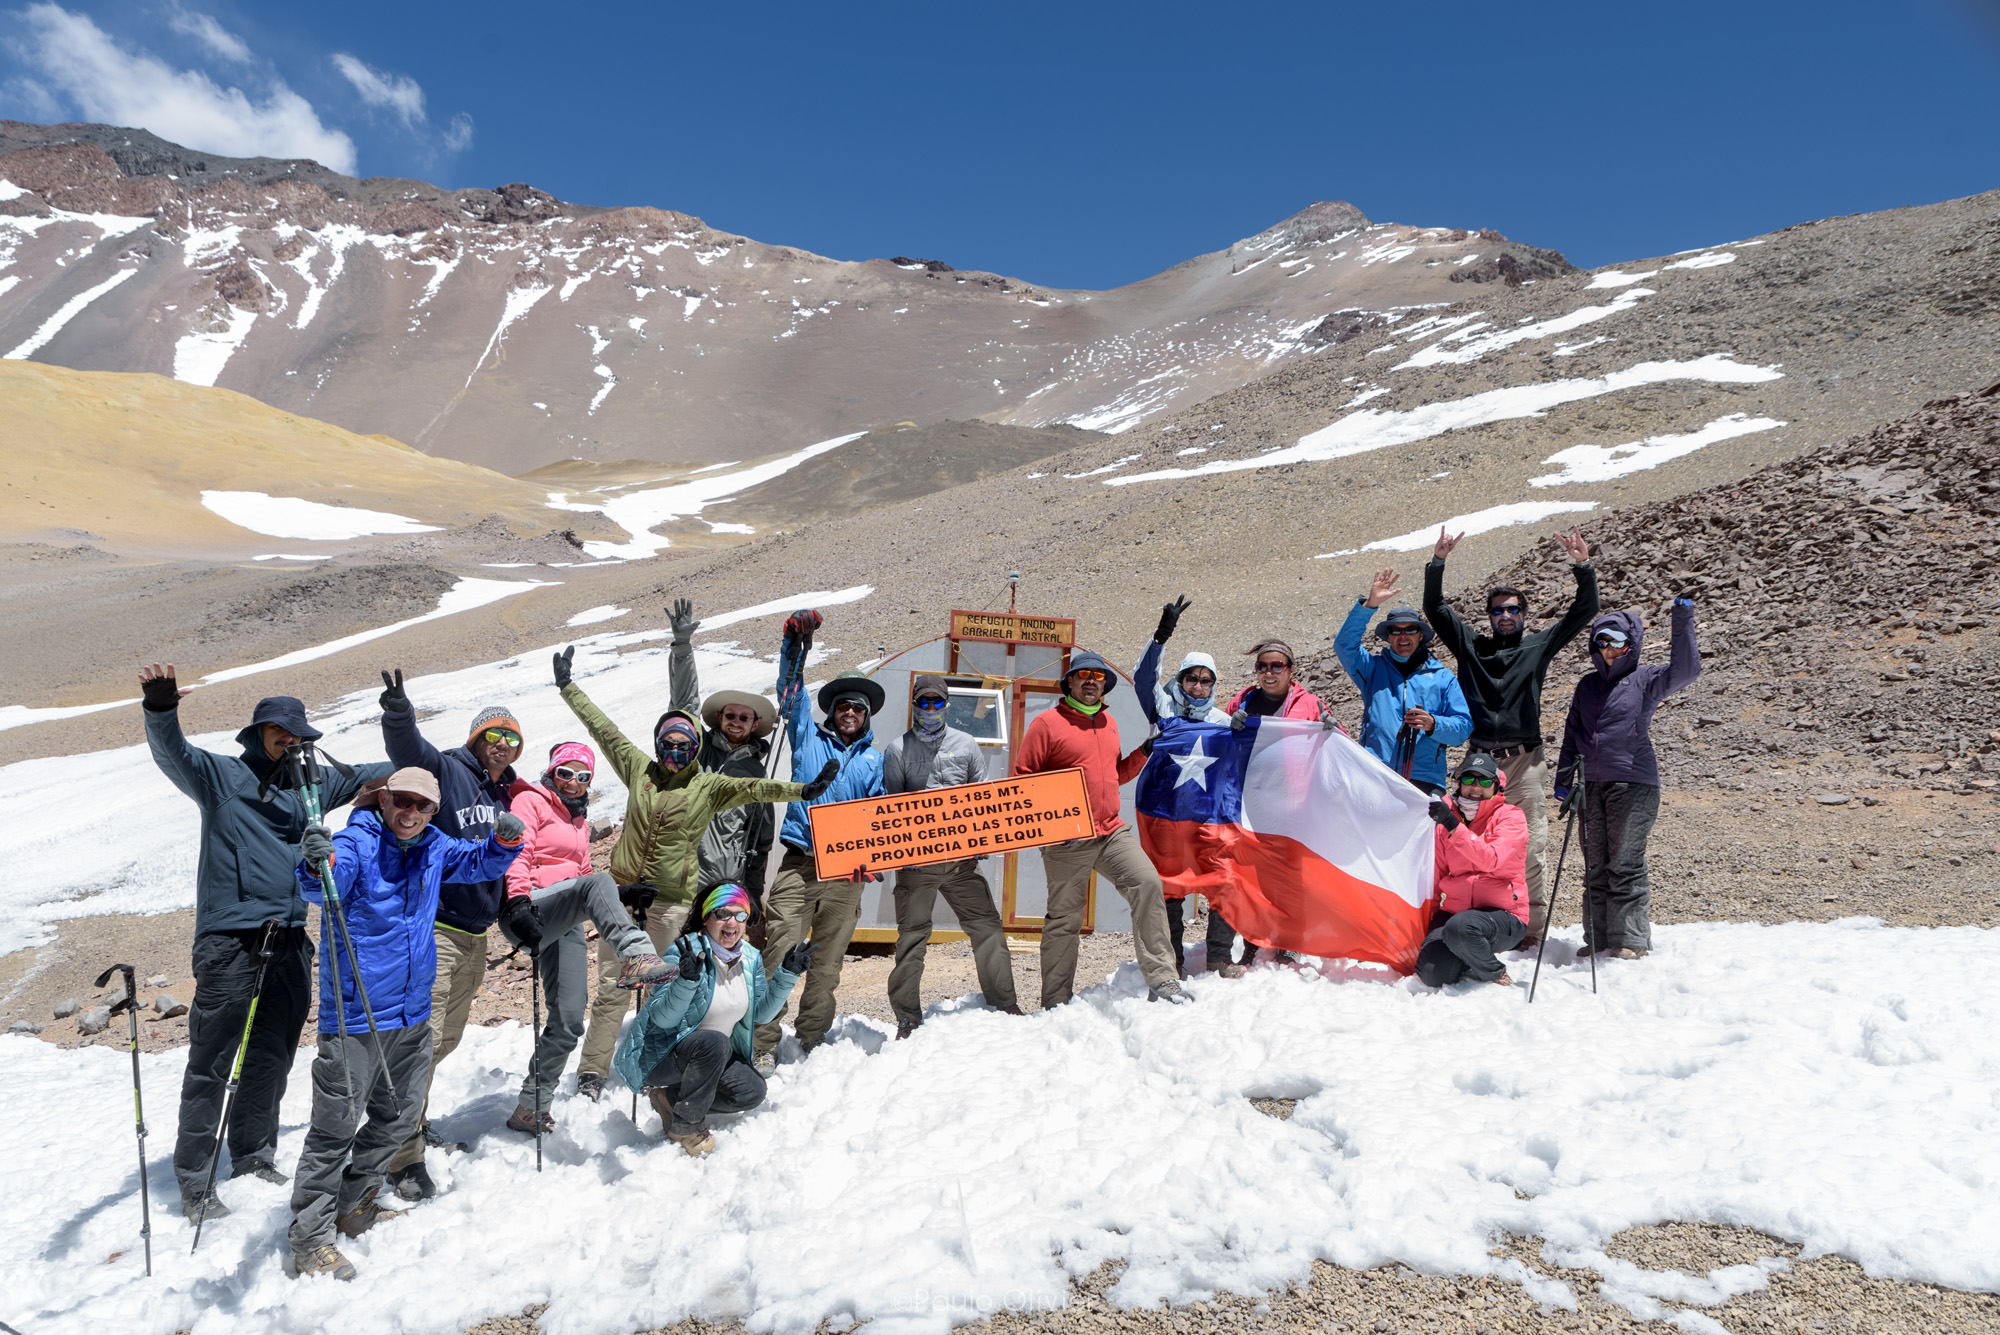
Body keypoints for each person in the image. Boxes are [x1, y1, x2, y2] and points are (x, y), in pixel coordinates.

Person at [138, 664, 392, 1224]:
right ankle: (195, 1180)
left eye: (299, 736)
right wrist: (160, 709)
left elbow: (389, 771)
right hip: (229, 938)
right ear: (258, 734)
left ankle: (253, 1156)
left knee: (272, 1056)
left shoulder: (316, 785)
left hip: (290, 939)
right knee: (212, 1059)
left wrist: (409, 729)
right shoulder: (220, 777)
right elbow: (171, 752)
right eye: (281, 732)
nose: (291, 742)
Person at [556, 645, 836, 1095]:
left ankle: (654, 1065)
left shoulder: (709, 785)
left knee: (668, 986)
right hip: (621, 896)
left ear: (695, 748)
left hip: (671, 903)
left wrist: (804, 790)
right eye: (668, 744)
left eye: (685, 746)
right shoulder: (638, 769)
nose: (675, 751)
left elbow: (758, 789)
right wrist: (568, 687)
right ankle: (592, 1070)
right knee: (613, 985)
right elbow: (603, 731)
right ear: (657, 744)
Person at [287, 768, 524, 1281]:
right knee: (334, 1130)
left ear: (433, 811)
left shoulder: (435, 844)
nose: (410, 812)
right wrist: (315, 861)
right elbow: (325, 881)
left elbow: (478, 861)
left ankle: (354, 1202)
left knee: (398, 1117)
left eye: (422, 805)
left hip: (411, 1014)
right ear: (385, 798)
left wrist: (506, 840)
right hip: (356, 1017)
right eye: (403, 801)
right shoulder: (357, 841)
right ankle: (309, 1239)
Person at [374, 672, 552, 1197]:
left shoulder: (505, 793)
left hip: (476, 937)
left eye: (513, 739)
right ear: (476, 737)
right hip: (436, 932)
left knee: (443, 1042)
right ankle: (400, 1157)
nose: (503, 745)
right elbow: (408, 750)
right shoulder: (447, 769)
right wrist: (399, 714)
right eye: (495, 735)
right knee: (419, 1045)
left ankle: (413, 1128)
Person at [1424, 525, 1599, 948]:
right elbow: (1436, 608)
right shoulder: (1472, 647)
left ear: (1524, 614)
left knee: (1531, 846)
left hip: (1526, 762)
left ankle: (1528, 930)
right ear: (1490, 616)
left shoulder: (1538, 646)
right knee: (1466, 844)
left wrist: (1583, 566)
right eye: (1499, 610)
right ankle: (1470, 917)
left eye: (1514, 610)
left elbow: (1584, 609)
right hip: (1479, 766)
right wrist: (1438, 562)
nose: (1506, 616)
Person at [496, 741, 676, 1128]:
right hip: (528, 908)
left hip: (564, 919)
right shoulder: (531, 802)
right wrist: (517, 902)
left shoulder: (578, 819)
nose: (573, 782)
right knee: (598, 882)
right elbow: (517, 855)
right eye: (566, 773)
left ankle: (531, 1106)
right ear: (552, 771)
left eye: (583, 777)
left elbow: (580, 877)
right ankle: (636, 955)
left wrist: (620, 895)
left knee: (568, 1020)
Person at [1015, 649, 1189, 1007]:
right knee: (1065, 919)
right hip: (1067, 839)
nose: (1091, 681)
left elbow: (1115, 774)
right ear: (1070, 682)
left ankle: (1163, 979)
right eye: (1084, 676)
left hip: (1110, 832)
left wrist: (1144, 751)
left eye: (1098, 677)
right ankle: (1055, 1002)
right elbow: (1022, 780)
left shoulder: (1108, 723)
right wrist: (1054, 820)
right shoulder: (1046, 724)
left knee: (1148, 884)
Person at [755, 611, 887, 1070]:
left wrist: (874, 858)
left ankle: (811, 1039)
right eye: (843, 706)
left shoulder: (873, 761)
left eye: (858, 708)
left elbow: (879, 818)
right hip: (799, 865)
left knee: (827, 965)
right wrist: (794, 642)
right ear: (832, 711)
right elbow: (790, 692)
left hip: (847, 876)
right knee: (777, 956)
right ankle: (763, 1044)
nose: (849, 713)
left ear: (866, 716)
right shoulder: (807, 735)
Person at [616, 885, 815, 1156]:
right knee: (715, 1043)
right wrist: (686, 981)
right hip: (662, 1056)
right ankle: (685, 1126)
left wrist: (787, 975)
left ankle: (671, 1100)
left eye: (740, 915)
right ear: (706, 917)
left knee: (751, 1092)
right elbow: (663, 1020)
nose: (732, 923)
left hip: (711, 1057)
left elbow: (761, 1014)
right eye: (723, 913)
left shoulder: (750, 957)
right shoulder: (685, 952)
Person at [1554, 600, 1701, 960]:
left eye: (1617, 642)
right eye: (1602, 642)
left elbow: (1686, 670)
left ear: (1630, 645)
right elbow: (1573, 731)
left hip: (1634, 784)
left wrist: (1682, 619)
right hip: (1590, 784)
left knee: (1624, 862)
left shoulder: (1646, 679)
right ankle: (1599, 939)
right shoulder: (1587, 685)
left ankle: (1631, 940)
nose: (1609, 650)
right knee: (1595, 865)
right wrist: (1563, 777)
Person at [882, 674, 1021, 1037]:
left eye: (937, 701)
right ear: (914, 704)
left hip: (962, 865)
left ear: (947, 703)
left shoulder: (967, 744)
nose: (930, 708)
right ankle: (907, 1016)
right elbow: (891, 810)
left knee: (988, 929)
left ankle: (1004, 1002)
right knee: (912, 937)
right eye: (923, 702)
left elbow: (982, 800)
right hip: (917, 866)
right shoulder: (898, 749)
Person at [1132, 596, 1237, 977]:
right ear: (1179, 680)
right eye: (1190, 677)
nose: (1197, 684)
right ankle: (1171, 959)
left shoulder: (1224, 722)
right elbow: (1143, 678)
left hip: (1210, 816)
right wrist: (1162, 635)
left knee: (1225, 880)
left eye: (1205, 679)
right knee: (1169, 888)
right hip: (1165, 814)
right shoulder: (1163, 709)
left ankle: (1219, 957)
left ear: (1213, 684)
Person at [662, 596, 780, 906]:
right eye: (730, 716)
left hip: (724, 890)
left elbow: (760, 841)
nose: (736, 722)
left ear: (755, 724)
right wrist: (683, 646)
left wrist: (752, 895)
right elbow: (683, 704)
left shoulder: (756, 775)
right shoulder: (696, 749)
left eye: (744, 718)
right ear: (720, 718)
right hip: (678, 884)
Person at [1333, 569, 1473, 796]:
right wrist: (1369, 606)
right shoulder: (1373, 669)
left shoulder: (1442, 678)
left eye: (1410, 630)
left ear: (1421, 635)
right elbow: (1344, 645)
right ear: (1388, 637)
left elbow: (1463, 728)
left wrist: (1433, 724)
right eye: (1395, 631)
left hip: (1424, 779)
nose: (1403, 636)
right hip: (1376, 773)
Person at [1415, 754, 1528, 988]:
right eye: (1469, 779)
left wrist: (1454, 828)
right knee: (1432, 973)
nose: (1476, 787)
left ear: (1497, 785)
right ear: (1460, 783)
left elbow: (1491, 860)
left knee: (1462, 927)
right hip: (1457, 911)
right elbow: (1436, 876)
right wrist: (1428, 924)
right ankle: (1468, 956)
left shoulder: (1511, 816)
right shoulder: (1447, 820)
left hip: (1503, 915)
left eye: (1485, 781)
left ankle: (1493, 972)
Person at [1224, 638, 1323, 720]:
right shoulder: (1241, 701)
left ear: (1291, 670)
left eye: (1277, 666)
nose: (1268, 673)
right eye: (1262, 667)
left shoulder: (1312, 705)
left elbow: (1334, 740)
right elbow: (1220, 737)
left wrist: (1331, 729)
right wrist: (1230, 727)